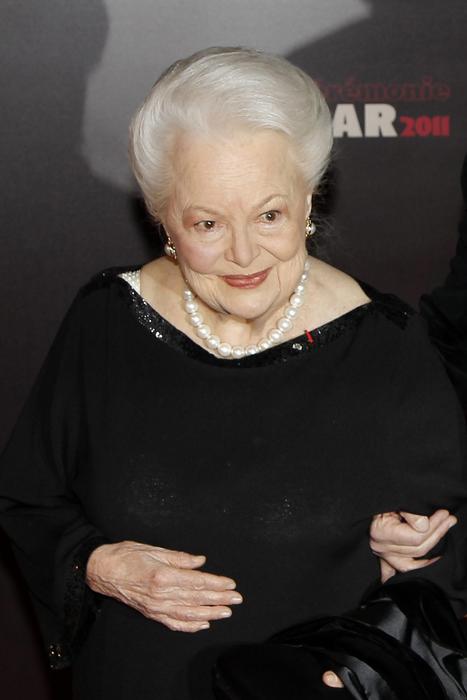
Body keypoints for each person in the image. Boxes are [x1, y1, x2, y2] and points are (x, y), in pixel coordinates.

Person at [0, 47, 466, 699]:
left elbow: (442, 576)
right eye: (207, 223)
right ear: (163, 217)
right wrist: (98, 565)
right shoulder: (106, 322)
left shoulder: (386, 347)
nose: (243, 253)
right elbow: (28, 498)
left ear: (309, 198)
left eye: (269, 215)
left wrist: (410, 563)